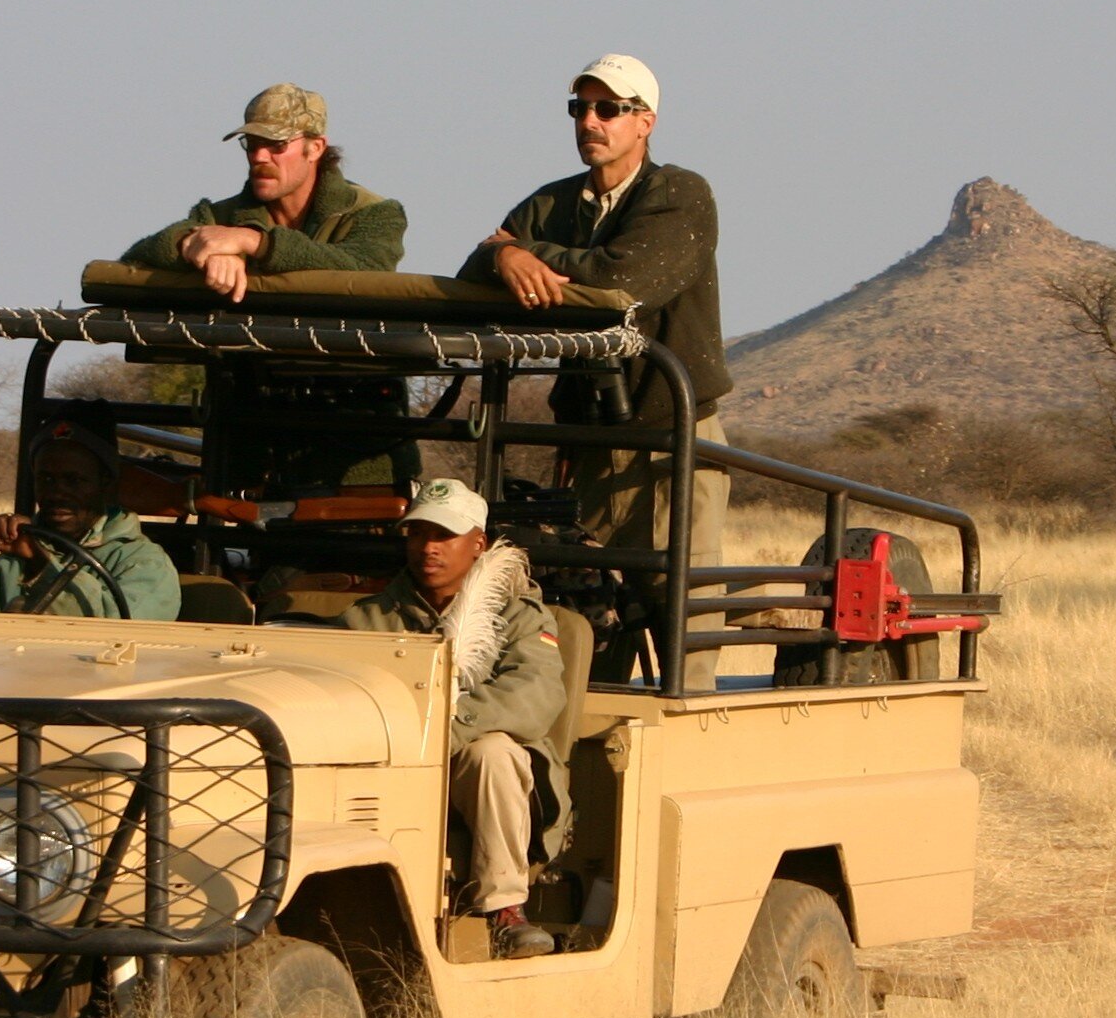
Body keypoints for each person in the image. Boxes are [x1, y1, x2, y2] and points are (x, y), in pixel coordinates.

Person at [460, 53, 730, 688]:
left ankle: (682, 744)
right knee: (585, 601)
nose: (590, 120)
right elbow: (471, 270)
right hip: (587, 438)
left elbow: (625, 280)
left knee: (681, 608)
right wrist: (503, 261)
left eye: (609, 108)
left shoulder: (680, 193)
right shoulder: (557, 200)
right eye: (579, 108)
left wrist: (523, 251)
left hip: (670, 434)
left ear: (646, 122)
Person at [338, 479, 565, 960]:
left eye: (443, 535)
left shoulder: (522, 616)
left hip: (473, 766)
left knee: (493, 754)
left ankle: (506, 909)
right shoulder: (367, 619)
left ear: (478, 544)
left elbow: (535, 697)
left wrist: (449, 727)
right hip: (389, 762)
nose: (427, 548)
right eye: (417, 534)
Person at [118, 83, 405, 302]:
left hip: (348, 373)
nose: (259, 156)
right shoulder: (219, 217)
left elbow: (365, 268)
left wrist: (252, 242)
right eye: (252, 143)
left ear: (315, 148)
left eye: (276, 145)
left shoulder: (375, 212)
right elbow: (139, 257)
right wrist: (200, 248)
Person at [0, 407, 182, 619]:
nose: (57, 493)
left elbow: (116, 630)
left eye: (74, 480)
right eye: (46, 479)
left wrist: (40, 561)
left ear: (105, 483)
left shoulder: (144, 564)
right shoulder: (5, 568)